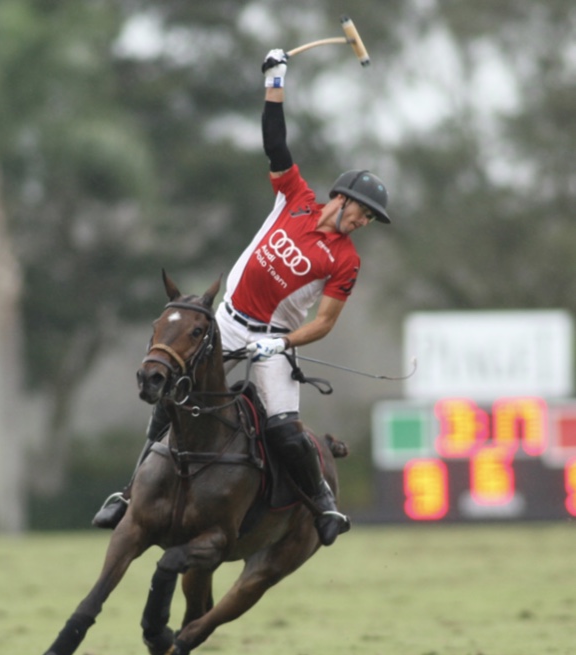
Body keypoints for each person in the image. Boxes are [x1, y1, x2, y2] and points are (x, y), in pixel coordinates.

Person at [93, 49, 391, 546]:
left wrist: (282, 344)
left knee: (283, 428)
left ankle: (323, 504)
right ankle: (128, 494)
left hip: (273, 340)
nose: (363, 223)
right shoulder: (295, 198)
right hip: (225, 322)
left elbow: (324, 324)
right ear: (341, 198)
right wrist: (275, 81)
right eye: (363, 213)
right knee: (169, 400)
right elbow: (276, 142)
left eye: (370, 221)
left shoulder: (347, 260)